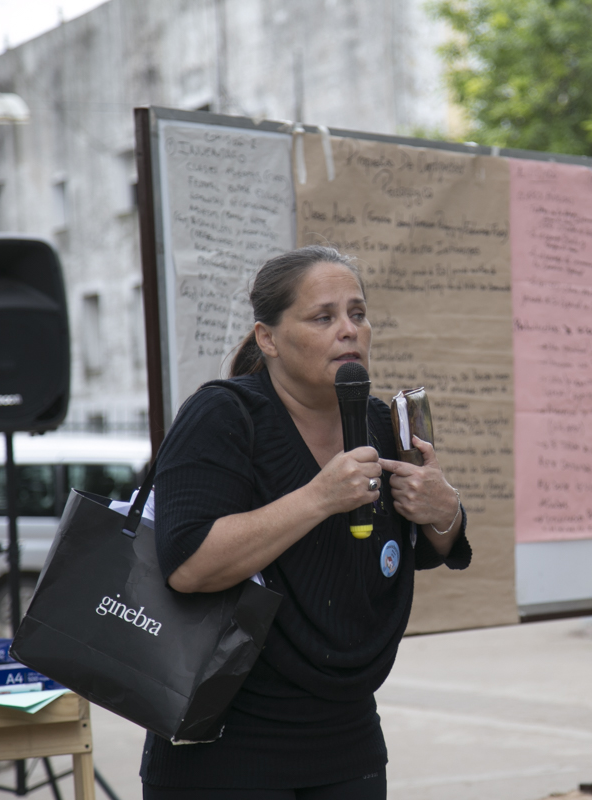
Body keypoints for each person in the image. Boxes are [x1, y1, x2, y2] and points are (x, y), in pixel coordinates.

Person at [139, 245, 470, 799]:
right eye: (323, 317)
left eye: (358, 314)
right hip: (224, 742)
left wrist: (445, 511)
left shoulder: (379, 421)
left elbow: (421, 549)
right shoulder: (223, 415)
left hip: (347, 737)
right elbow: (189, 566)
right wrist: (317, 498)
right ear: (267, 338)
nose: (349, 330)